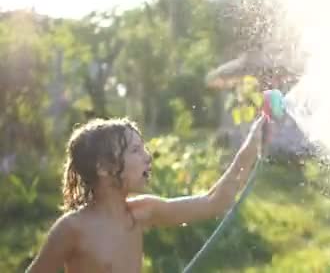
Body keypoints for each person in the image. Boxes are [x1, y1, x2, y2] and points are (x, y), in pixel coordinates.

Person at [26, 115, 270, 272]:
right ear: (103, 167)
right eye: (135, 150)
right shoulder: (73, 229)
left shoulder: (142, 212)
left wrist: (252, 143)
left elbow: (214, 202)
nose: (147, 156)